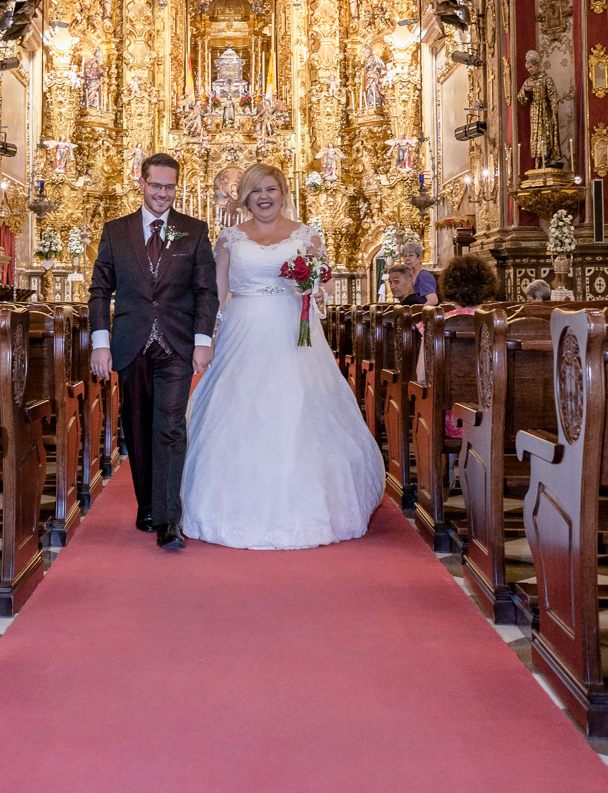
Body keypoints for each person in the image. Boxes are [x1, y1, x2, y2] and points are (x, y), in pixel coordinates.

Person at [181, 164, 384, 550]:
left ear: (283, 191)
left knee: (297, 407)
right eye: (255, 190)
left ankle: (308, 504)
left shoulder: (306, 235)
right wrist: (205, 337)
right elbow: (216, 293)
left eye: (270, 189)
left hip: (293, 332)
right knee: (240, 408)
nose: (263, 197)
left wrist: (316, 290)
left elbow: (323, 282)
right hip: (242, 328)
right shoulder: (228, 238)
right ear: (243, 197)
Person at [89, 154, 217, 551]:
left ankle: (168, 520)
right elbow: (99, 292)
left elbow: (205, 291)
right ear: (141, 183)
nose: (163, 193)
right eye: (156, 185)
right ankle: (146, 505)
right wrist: (100, 343)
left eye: (170, 186)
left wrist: (202, 341)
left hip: (176, 344)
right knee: (139, 427)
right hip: (130, 342)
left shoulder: (193, 231)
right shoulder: (116, 231)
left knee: (169, 427)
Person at [417, 255, 499, 441]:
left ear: (449, 287)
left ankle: (450, 465)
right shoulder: (502, 323)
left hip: (451, 420)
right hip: (495, 419)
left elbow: (422, 376)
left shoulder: (435, 324)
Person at [402, 239, 438, 306]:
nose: (407, 259)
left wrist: (419, 313)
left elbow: (433, 301)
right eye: (405, 256)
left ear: (419, 258)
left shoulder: (423, 275)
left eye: (411, 255)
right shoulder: (409, 276)